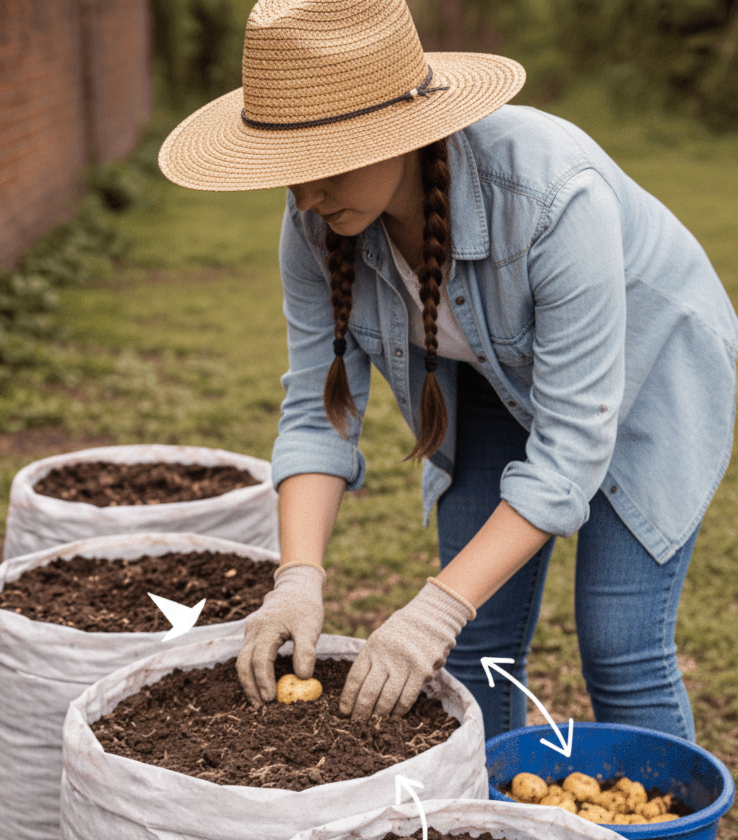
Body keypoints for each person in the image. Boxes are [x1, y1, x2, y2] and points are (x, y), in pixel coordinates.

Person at [159, 0, 738, 742]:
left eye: (321, 165)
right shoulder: (316, 219)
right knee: (474, 642)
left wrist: (432, 608)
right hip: (486, 382)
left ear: (397, 132)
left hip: (650, 376)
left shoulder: (555, 197)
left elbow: (570, 451)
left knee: (618, 645)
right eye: (288, 169)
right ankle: (486, 824)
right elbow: (316, 410)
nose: (303, 195)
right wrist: (297, 578)